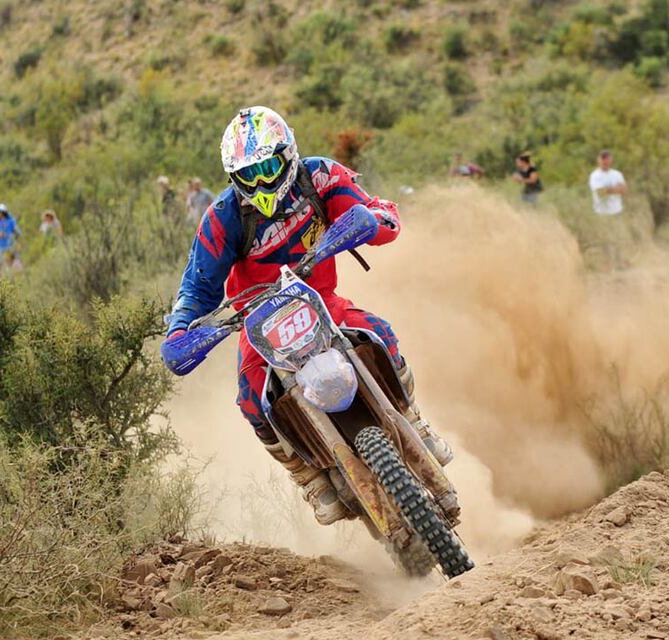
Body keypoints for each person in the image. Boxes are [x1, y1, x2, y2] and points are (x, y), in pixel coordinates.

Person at [160, 106, 453, 525]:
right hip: (258, 322)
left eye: (269, 167)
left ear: (289, 154)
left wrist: (372, 221)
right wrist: (179, 330)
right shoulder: (224, 218)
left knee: (378, 333)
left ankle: (413, 422)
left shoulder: (319, 178)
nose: (262, 181)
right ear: (233, 177)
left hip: (318, 298)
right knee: (251, 398)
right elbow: (197, 286)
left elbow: (377, 210)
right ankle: (310, 479)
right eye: (249, 174)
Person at [589, 150, 628, 268]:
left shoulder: (617, 174)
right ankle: (606, 264)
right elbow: (601, 192)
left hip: (616, 210)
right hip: (601, 212)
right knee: (604, 239)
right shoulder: (595, 176)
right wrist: (616, 189)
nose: (605, 161)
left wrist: (610, 189)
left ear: (610, 159)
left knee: (618, 237)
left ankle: (619, 262)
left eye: (607, 158)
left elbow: (624, 190)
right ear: (599, 160)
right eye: (602, 158)